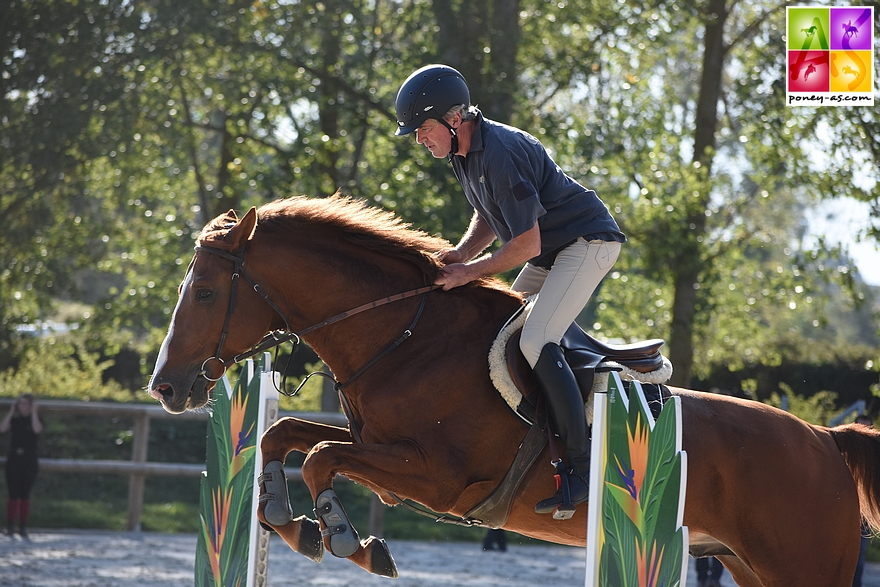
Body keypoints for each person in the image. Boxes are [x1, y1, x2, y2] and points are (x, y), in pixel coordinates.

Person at [395, 64, 626, 516]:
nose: (420, 139)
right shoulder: (464, 153)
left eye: (422, 129)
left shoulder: (500, 150)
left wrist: (469, 274)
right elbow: (489, 216)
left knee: (537, 338)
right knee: (499, 334)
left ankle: (581, 465)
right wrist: (461, 254)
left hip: (587, 243)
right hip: (551, 251)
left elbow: (526, 242)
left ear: (454, 118)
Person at [1, 394, 43, 539]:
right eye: (20, 404)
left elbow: (37, 430)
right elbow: (3, 428)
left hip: (29, 457)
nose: (22, 407)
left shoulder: (35, 420)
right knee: (13, 493)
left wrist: (34, 413)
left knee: (25, 493)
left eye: (25, 404)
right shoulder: (15, 420)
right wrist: (11, 411)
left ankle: (23, 525)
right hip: (14, 457)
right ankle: (10, 524)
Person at [853, 414, 873, 587]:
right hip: (846, 510)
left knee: (858, 559)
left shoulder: (872, 460)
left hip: (863, 515)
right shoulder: (844, 454)